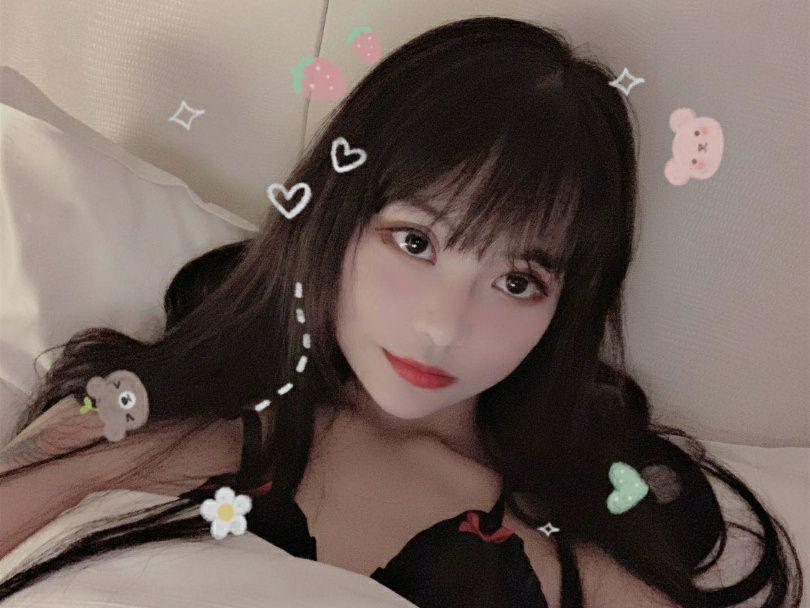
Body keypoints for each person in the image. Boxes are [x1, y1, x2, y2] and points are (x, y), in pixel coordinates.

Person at [0, 15, 803, 608]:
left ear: (564, 309)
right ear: (336, 220)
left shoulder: (575, 557)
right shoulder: (141, 417)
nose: (443, 325)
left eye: (518, 282)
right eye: (416, 243)